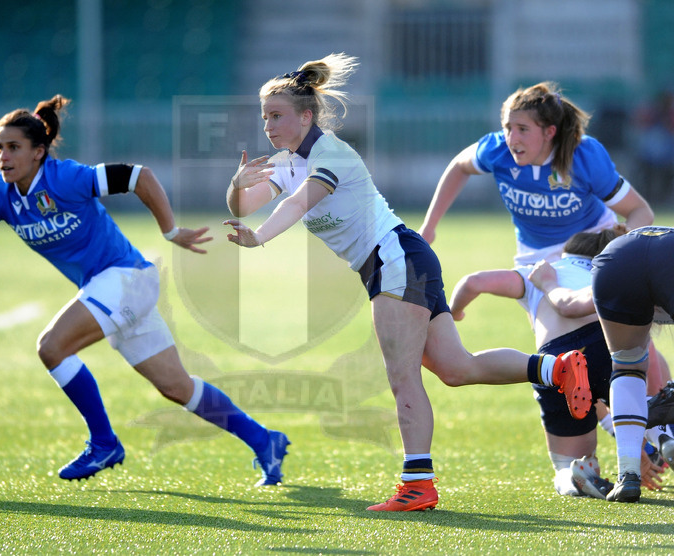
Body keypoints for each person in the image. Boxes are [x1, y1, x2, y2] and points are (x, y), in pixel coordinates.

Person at [223, 54, 589, 512]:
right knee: (457, 369)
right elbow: (245, 204)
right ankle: (557, 369)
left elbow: (298, 204)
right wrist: (237, 187)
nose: (269, 126)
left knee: (402, 377)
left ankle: (418, 484)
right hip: (402, 258)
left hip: (393, 257)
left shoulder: (330, 153)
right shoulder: (285, 162)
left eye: (276, 116)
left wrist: (258, 238)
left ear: (306, 115)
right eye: (264, 118)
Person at [0, 95, 290, 486]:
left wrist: (170, 230)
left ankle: (103, 442)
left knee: (51, 347)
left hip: (125, 277)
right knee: (177, 387)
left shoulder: (66, 177)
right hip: (111, 287)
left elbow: (140, 176)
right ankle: (265, 440)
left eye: (13, 147)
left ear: (39, 152)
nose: (3, 156)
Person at [450, 226, 672, 498]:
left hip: (556, 359)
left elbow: (474, 282)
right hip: (605, 340)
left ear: (566, 252)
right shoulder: (614, 268)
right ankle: (662, 435)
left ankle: (576, 474)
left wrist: (455, 312)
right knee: (635, 377)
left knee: (565, 462)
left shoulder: (543, 271)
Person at [419, 81, 653, 267]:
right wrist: (429, 227)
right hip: (534, 259)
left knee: (574, 315)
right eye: (508, 128)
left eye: (523, 129)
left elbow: (640, 211)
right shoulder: (497, 150)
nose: (512, 139)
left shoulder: (583, 156)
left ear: (549, 132)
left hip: (588, 252)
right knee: (556, 324)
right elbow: (459, 167)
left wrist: (615, 248)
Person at [591, 225, 674, 502]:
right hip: (665, 256)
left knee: (626, 366)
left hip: (615, 260)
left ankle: (627, 475)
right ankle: (667, 403)